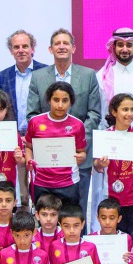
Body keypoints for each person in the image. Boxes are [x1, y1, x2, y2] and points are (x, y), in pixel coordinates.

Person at [26, 29, 102, 209]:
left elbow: (94, 113)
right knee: (46, 213)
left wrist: (75, 143)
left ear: (73, 48)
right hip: (46, 163)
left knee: (77, 211)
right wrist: (48, 145)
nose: (61, 47)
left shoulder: (88, 75)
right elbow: (32, 115)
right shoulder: (38, 76)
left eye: (66, 43)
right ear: (50, 49)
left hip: (77, 157)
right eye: (57, 43)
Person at [92, 93, 133, 239]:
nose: (130, 114)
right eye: (125, 109)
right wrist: (100, 164)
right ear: (114, 111)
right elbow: (96, 165)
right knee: (114, 236)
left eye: (132, 109)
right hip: (112, 195)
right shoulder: (105, 136)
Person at [24, 81, 88, 210]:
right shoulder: (35, 122)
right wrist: (28, 160)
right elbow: (29, 147)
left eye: (65, 100)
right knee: (44, 220)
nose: (60, 105)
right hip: (41, 182)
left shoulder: (77, 125)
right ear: (49, 100)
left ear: (71, 102)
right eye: (56, 100)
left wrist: (81, 157)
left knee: (68, 220)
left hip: (68, 183)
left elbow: (82, 152)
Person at [0, 29, 46, 132]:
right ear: (11, 51)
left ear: (32, 49)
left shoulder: (46, 72)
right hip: (12, 135)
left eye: (25, 46)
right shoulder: (3, 76)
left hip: (41, 132)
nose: (21, 50)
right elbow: (0, 109)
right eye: (16, 47)